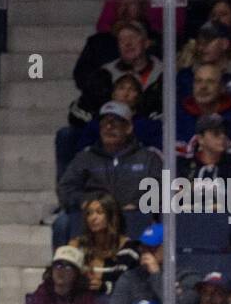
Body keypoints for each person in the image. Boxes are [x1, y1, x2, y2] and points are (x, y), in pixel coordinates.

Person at [55, 101, 161, 248]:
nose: (109, 128)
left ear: (128, 128)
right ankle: (63, 268)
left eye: (115, 123)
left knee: (158, 226)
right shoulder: (85, 157)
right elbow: (66, 188)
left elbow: (161, 188)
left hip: (134, 216)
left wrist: (138, 204)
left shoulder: (149, 157)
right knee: (62, 223)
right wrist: (84, 202)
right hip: (93, 217)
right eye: (104, 124)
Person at [108, 223, 202, 304]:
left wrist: (156, 274)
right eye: (143, 247)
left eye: (152, 248)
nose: (145, 252)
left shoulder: (187, 276)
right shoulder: (129, 277)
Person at [176, 63, 231, 161]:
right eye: (198, 81)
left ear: (222, 87)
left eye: (210, 82)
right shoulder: (178, 117)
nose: (203, 86)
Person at [67, 193, 139, 296]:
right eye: (89, 213)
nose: (93, 218)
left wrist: (104, 286)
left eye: (99, 212)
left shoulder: (129, 251)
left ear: (112, 216)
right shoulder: (78, 246)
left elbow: (133, 289)